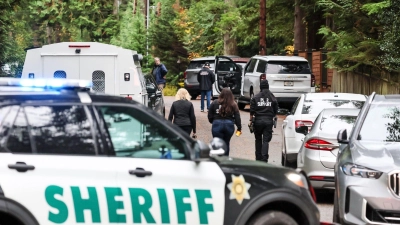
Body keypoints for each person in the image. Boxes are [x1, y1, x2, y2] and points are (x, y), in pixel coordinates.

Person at [249, 80, 278, 163]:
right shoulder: (272, 97)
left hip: (258, 121)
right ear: (268, 86)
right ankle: (264, 158)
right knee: (265, 140)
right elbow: (276, 109)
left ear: (260, 87)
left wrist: (250, 121)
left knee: (258, 139)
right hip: (268, 121)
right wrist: (273, 115)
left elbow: (252, 110)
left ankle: (258, 157)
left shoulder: (256, 97)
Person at [208, 88, 241, 156]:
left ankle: (218, 160)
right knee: (226, 143)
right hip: (229, 125)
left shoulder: (215, 102)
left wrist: (213, 121)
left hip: (216, 124)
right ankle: (225, 160)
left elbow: (210, 114)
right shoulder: (233, 104)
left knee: (217, 144)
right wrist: (239, 127)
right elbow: (237, 116)